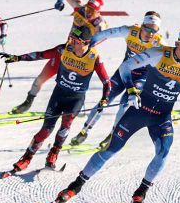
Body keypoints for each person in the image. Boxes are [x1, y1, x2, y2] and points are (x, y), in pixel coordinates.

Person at [53, 27, 180, 203]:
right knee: (111, 149)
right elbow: (126, 67)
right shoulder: (158, 54)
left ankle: (140, 194)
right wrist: (131, 89)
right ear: (178, 43)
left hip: (161, 117)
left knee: (163, 152)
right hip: (139, 111)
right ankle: (76, 185)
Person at [0, 26, 110, 174]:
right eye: (71, 39)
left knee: (65, 127)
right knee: (46, 130)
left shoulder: (94, 57)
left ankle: (54, 152)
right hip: (59, 95)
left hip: (76, 99)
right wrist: (17, 58)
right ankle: (27, 157)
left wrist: (104, 99)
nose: (71, 43)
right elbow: (40, 55)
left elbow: (106, 82)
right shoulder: (63, 49)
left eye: (75, 41)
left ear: (85, 43)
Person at [70, 10, 165, 147]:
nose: (150, 33)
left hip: (140, 78)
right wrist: (90, 44)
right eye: (148, 28)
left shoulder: (159, 42)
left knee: (124, 105)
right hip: (122, 73)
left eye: (154, 30)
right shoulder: (130, 31)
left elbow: (169, 61)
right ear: (142, 25)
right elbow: (106, 34)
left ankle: (112, 135)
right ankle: (84, 132)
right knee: (104, 101)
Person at [11, 0, 109, 114]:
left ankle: (77, 106)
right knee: (40, 79)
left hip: (80, 58)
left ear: (98, 12)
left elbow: (104, 36)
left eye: (92, 11)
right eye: (88, 9)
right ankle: (28, 102)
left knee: (75, 85)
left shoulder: (99, 24)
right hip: (65, 51)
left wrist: (87, 44)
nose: (88, 13)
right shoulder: (80, 7)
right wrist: (60, 1)